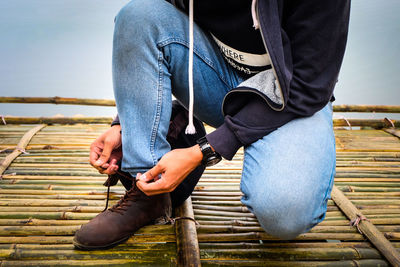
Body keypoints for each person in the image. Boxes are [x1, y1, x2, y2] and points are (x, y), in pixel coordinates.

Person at [73, 0, 350, 250]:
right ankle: (149, 188)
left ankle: (200, 142)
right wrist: (127, 125)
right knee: (136, 16)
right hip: (214, 74)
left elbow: (308, 85)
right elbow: (154, 20)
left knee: (285, 214)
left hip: (291, 95)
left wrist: (203, 150)